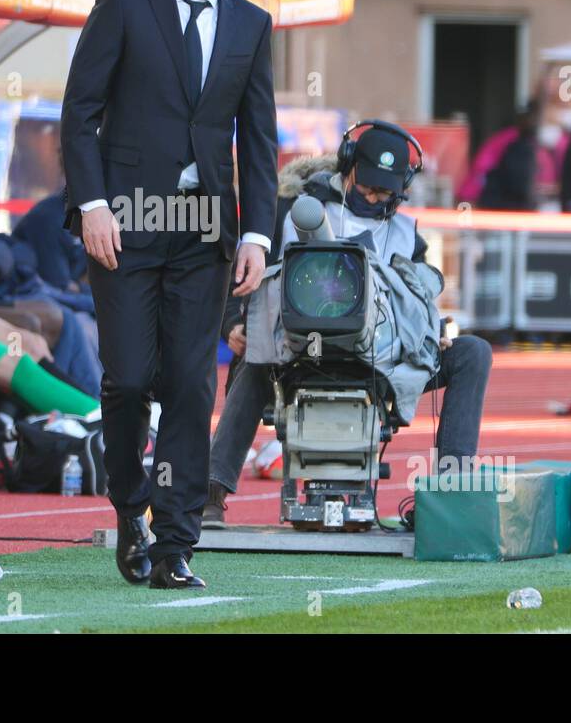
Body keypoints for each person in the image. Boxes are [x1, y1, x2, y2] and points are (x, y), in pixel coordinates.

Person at [60, 0, 279, 589]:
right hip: (124, 220)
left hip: (203, 230)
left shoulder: (251, 24)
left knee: (189, 383)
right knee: (127, 379)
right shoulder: (124, 5)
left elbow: (260, 140)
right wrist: (91, 204)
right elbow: (79, 112)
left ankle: (176, 542)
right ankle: (131, 509)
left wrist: (258, 234)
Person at [204, 124, 492, 526]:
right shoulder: (291, 210)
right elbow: (241, 270)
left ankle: (452, 491)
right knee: (256, 353)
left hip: (379, 357)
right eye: (368, 187)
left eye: (384, 193)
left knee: (473, 352)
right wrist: (233, 322)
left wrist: (433, 331)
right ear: (348, 166)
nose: (374, 198)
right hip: (298, 350)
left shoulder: (409, 235)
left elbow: (418, 299)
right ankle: (211, 491)